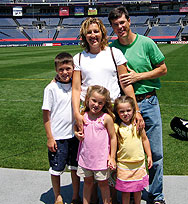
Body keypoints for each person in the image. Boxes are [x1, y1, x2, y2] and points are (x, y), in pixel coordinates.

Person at [108, 6, 168, 204]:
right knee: (124, 152)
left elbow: (163, 69)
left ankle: (157, 196)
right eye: (115, 25)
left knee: (155, 152)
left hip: (149, 102)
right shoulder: (113, 50)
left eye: (122, 22)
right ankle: (126, 192)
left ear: (129, 21)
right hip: (125, 108)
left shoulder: (146, 43)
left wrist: (138, 76)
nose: (120, 27)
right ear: (112, 27)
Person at [72, 17, 144, 133]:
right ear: (84, 36)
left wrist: (136, 110)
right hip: (90, 111)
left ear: (102, 33)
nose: (93, 35)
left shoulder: (114, 53)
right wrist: (76, 113)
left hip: (113, 109)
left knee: (116, 147)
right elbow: (76, 89)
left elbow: (125, 84)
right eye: (89, 32)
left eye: (96, 31)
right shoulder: (78, 58)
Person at [42, 52, 81, 204]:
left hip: (74, 135)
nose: (65, 72)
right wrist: (50, 137)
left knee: (75, 168)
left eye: (68, 69)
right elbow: (46, 115)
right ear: (56, 70)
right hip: (58, 137)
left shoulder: (76, 86)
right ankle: (57, 196)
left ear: (73, 69)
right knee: (56, 169)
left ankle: (75, 196)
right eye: (61, 69)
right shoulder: (51, 88)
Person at [74, 85, 117, 204]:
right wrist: (77, 134)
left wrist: (112, 157)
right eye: (94, 100)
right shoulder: (83, 116)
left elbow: (113, 138)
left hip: (101, 160)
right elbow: (76, 129)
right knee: (87, 183)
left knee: (103, 184)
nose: (96, 105)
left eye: (100, 102)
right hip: (85, 158)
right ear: (87, 99)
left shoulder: (106, 118)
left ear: (104, 104)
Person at [113, 95, 152, 204]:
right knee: (125, 191)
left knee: (137, 189)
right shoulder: (117, 127)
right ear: (117, 112)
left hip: (139, 164)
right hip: (124, 164)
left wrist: (149, 155)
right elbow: (113, 145)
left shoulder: (138, 125)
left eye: (128, 110)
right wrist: (112, 158)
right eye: (122, 111)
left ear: (134, 110)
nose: (125, 114)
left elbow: (145, 140)